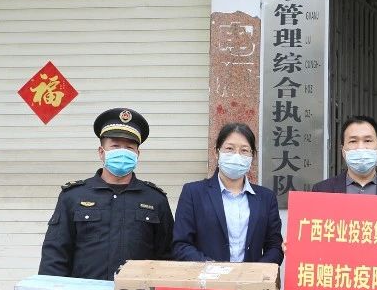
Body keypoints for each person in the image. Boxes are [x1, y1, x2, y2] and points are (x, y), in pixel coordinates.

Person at [39, 108, 173, 280]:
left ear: (137, 154)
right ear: (101, 152)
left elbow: (167, 256)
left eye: (129, 148)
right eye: (115, 146)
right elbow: (55, 254)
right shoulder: (73, 196)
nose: (123, 152)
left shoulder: (155, 199)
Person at [171, 122, 284, 264]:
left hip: (251, 278)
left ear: (252, 156)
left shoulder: (266, 198)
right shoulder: (193, 193)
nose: (236, 156)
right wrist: (212, 268)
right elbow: (181, 245)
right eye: (229, 148)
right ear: (216, 152)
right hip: (207, 276)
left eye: (244, 150)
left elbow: (275, 247)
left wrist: (255, 271)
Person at [312, 115, 377, 196]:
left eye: (368, 140)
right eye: (353, 141)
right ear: (343, 150)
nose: (360, 147)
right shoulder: (322, 191)